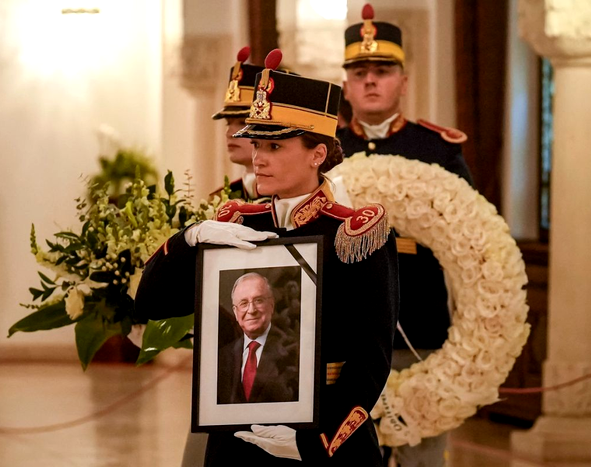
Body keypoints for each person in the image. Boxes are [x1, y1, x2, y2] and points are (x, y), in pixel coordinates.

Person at [134, 48, 399, 466]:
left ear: (317, 154)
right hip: (237, 437)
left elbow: (372, 357)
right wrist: (190, 239)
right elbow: (152, 304)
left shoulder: (354, 234)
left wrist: (315, 442)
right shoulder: (236, 224)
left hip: (321, 435)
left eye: (275, 146)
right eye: (256, 143)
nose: (259, 157)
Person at [337, 5, 475, 466]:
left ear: (404, 81)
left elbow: (469, 234)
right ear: (346, 85)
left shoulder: (435, 149)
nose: (370, 81)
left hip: (419, 328)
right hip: (347, 333)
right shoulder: (325, 151)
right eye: (359, 73)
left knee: (422, 455)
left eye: (382, 71)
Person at [217, 272, 299, 405]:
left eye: (259, 301)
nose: (251, 310)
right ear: (235, 312)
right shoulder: (222, 356)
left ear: (271, 306)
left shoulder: (288, 360)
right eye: (244, 303)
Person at [210, 46, 266, 201]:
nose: (230, 133)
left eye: (243, 123)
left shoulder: (287, 201)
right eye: (228, 123)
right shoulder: (219, 200)